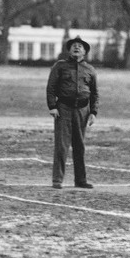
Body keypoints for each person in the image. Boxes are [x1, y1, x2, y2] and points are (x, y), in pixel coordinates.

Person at [46, 36, 99, 189]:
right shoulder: (60, 66)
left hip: (83, 110)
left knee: (80, 146)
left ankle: (80, 180)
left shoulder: (90, 70)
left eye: (80, 46)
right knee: (62, 146)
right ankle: (57, 180)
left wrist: (93, 112)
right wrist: (52, 106)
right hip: (64, 109)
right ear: (69, 50)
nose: (76, 48)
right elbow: (51, 88)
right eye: (73, 46)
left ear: (85, 52)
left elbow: (95, 93)